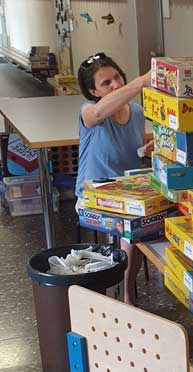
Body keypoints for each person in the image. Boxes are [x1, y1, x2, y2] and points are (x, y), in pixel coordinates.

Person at [76, 52, 153, 305]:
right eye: (106, 83)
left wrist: (149, 148)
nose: (116, 85)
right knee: (131, 226)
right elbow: (98, 114)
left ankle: (127, 289)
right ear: (93, 91)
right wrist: (141, 82)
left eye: (118, 77)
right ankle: (128, 295)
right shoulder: (89, 111)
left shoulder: (136, 112)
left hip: (128, 193)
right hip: (92, 195)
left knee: (146, 218)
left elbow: (135, 150)